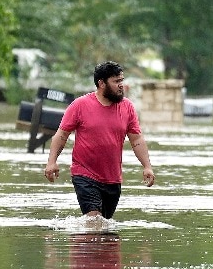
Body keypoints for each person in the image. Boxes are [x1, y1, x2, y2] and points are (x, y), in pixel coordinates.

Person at [43, 61, 155, 220]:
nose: (121, 85)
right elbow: (61, 135)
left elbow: (136, 140)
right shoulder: (80, 105)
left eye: (121, 80)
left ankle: (84, 244)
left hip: (113, 178)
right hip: (84, 174)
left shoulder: (127, 107)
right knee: (94, 220)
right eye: (116, 81)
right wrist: (52, 161)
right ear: (101, 83)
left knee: (105, 226)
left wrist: (147, 166)